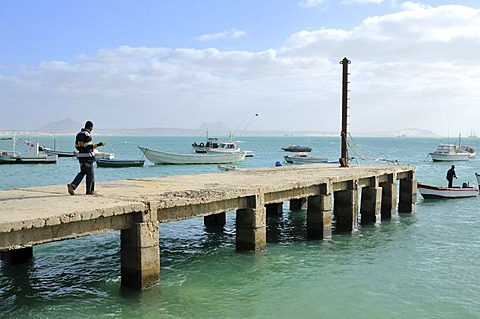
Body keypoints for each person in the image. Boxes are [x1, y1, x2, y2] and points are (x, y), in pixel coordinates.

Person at [67, 121, 105, 195]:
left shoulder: (78, 134)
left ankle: (72, 185)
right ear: (90, 127)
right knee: (90, 174)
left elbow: (76, 146)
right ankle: (90, 191)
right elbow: (87, 146)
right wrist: (98, 145)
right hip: (88, 157)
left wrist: (81, 150)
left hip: (81, 157)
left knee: (83, 172)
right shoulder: (87, 134)